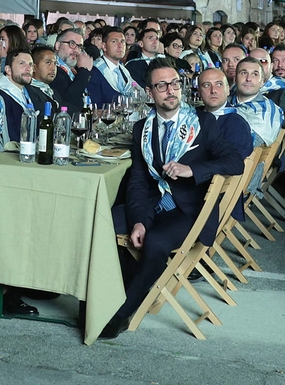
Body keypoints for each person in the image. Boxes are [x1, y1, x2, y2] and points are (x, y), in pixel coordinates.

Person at [101, 60, 252, 340]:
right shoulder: (142, 130)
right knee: (101, 223)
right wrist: (138, 221)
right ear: (150, 92)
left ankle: (123, 312)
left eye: (174, 84)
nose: (170, 91)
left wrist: (193, 170)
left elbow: (235, 162)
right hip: (152, 205)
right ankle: (111, 291)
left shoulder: (202, 122)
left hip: (189, 210)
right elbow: (137, 182)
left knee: (156, 242)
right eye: (162, 86)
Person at [230, 57, 284, 146]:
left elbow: (245, 145)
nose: (248, 79)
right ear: (235, 79)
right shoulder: (224, 102)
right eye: (244, 73)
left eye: (255, 74)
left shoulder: (267, 111)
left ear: (262, 82)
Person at [86, 28, 138, 106]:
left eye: (122, 42)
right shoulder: (94, 70)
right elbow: (94, 107)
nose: (120, 46)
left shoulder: (124, 70)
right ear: (104, 46)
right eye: (114, 41)